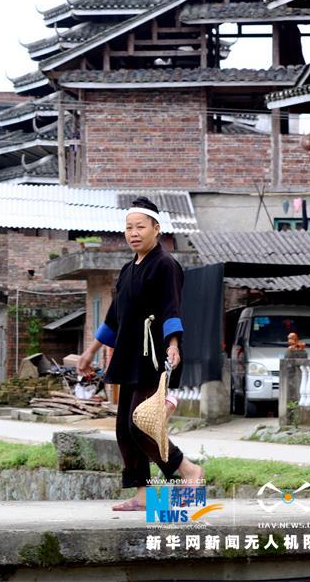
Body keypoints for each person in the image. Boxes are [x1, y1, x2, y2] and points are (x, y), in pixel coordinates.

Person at [77, 197, 204, 511]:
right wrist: (91, 351)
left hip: (154, 354)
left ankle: (188, 470)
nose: (133, 233)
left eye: (140, 227)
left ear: (156, 229)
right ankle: (144, 494)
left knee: (141, 424)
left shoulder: (166, 265)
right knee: (123, 427)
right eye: (128, 228)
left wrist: (173, 345)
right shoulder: (126, 270)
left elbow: (171, 307)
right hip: (128, 354)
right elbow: (114, 317)